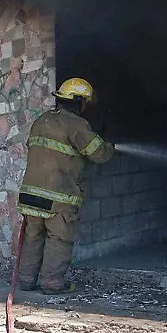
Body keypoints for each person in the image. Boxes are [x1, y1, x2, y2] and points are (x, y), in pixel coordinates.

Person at [17, 78, 115, 294]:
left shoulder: (41, 120)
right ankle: (52, 283)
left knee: (33, 237)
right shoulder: (76, 125)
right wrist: (111, 147)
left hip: (30, 195)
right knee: (59, 238)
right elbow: (98, 153)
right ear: (79, 102)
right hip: (58, 198)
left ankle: (24, 280)